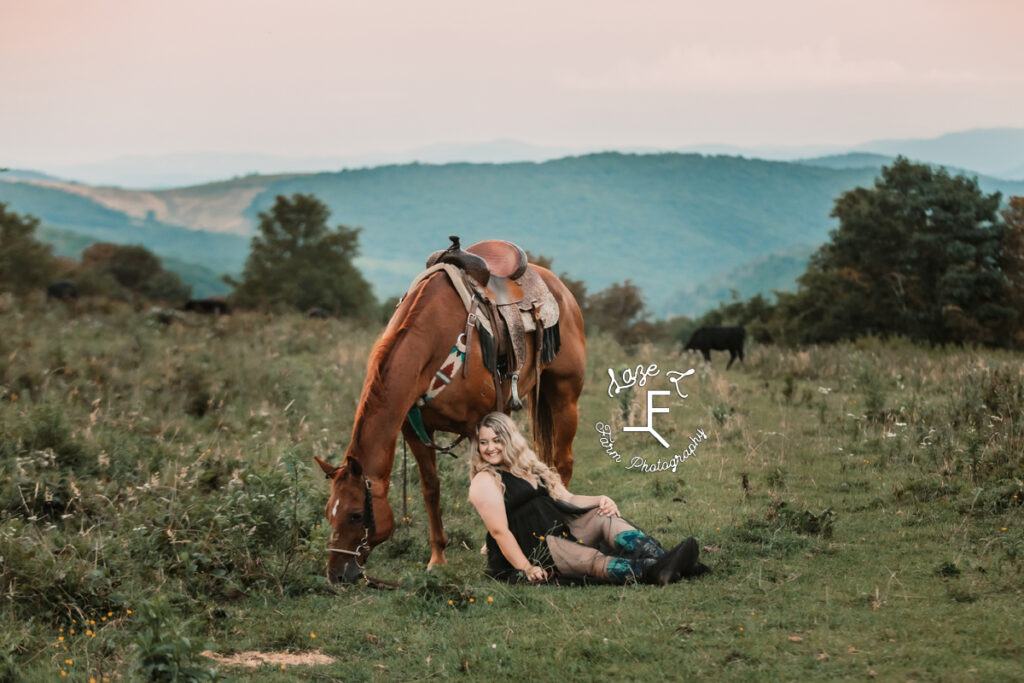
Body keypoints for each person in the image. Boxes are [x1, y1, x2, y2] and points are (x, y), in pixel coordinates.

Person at [468, 412, 705, 585]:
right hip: (535, 546)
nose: (490, 448)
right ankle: (656, 571)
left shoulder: (528, 466)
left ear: (509, 440)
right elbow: (500, 533)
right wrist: (527, 567)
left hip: (560, 529)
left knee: (604, 518)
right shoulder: (486, 480)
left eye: (496, 440)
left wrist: (601, 499)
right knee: (593, 560)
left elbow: (567, 497)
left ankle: (665, 562)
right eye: (483, 442)